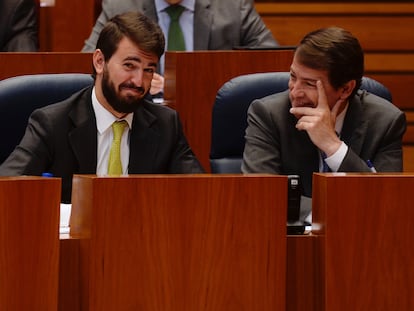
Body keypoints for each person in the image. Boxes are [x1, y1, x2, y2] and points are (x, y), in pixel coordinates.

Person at [0, 11, 204, 203]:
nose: (139, 81)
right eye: (129, 66)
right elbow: (8, 188)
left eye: (148, 70)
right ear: (99, 62)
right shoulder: (53, 124)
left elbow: (201, 193)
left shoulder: (166, 125)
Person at [242, 27, 406, 199]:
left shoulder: (386, 122)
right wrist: (325, 214)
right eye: (293, 77)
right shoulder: (268, 115)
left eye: (309, 84)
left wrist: (333, 146)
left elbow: (387, 200)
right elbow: (259, 194)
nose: (295, 92)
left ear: (345, 89)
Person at [82, 0, 279, 94]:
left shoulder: (233, 6)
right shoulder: (120, 6)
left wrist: (212, 82)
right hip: (142, 115)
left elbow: (273, 65)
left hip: (210, 114)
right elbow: (87, 65)